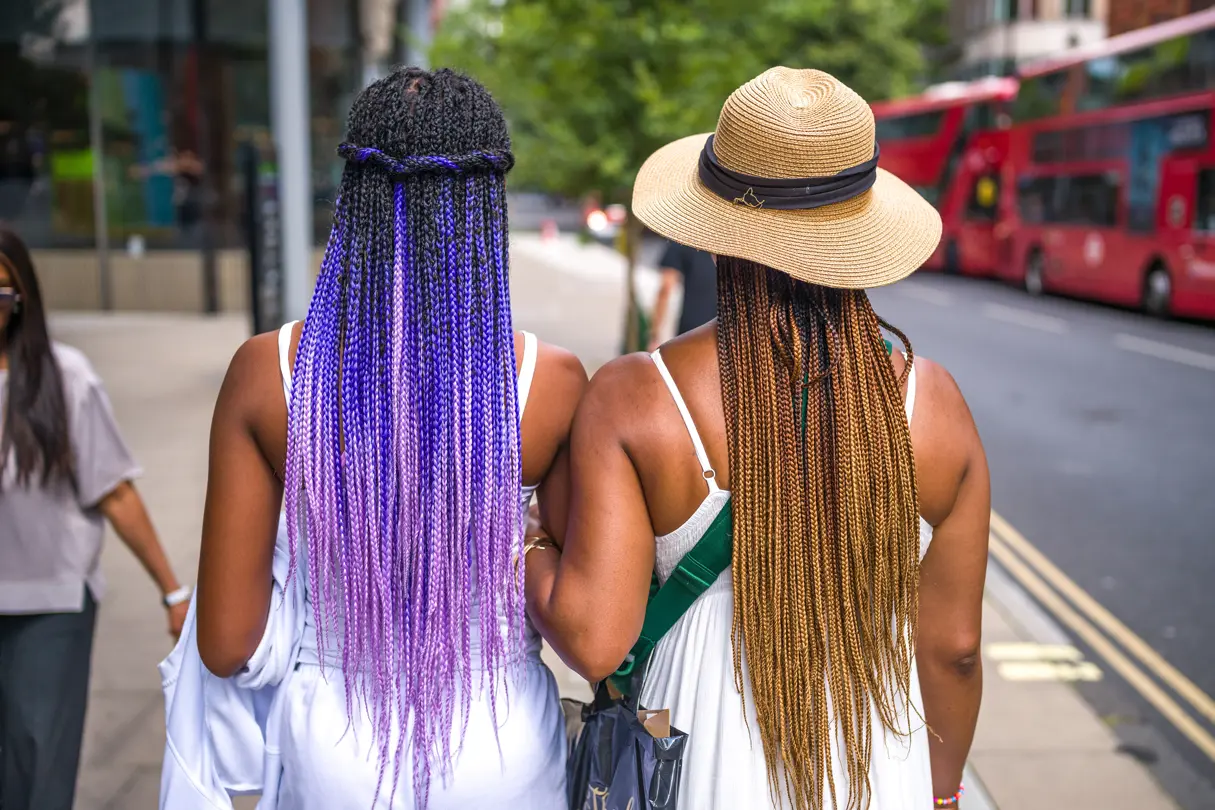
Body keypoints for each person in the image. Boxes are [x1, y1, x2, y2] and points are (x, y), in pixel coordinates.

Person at [526, 68, 989, 810]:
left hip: (689, 760)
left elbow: (593, 639)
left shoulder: (638, 397)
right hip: (876, 765)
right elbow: (955, 651)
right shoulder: (931, 405)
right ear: (860, 235)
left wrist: (529, 543)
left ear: (716, 233)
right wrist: (940, 795)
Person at [195, 68, 584, 809]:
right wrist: (526, 537)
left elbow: (224, 643)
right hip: (499, 744)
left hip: (335, 747)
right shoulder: (549, 382)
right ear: (487, 201)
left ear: (353, 194)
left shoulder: (269, 374)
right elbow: (579, 614)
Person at [0, 225, 189, 810]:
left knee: (39, 763)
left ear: (21, 299)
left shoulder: (64, 377)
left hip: (50, 605)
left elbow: (115, 493)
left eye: (0, 293)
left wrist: (173, 591)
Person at [648, 239, 717, 350]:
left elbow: (665, 288)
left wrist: (654, 335)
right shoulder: (732, 246)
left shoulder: (682, 242)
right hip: (724, 331)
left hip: (692, 330)